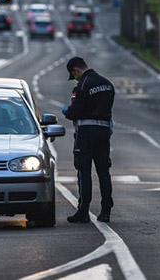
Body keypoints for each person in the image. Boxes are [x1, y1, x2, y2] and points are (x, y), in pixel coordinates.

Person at [61, 57, 115, 223]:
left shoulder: (82, 86)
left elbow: (75, 112)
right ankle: (106, 210)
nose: (75, 78)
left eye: (74, 75)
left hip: (86, 135)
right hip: (104, 134)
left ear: (76, 70)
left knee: (84, 172)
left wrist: (67, 110)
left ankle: (83, 211)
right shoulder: (107, 84)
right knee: (103, 172)